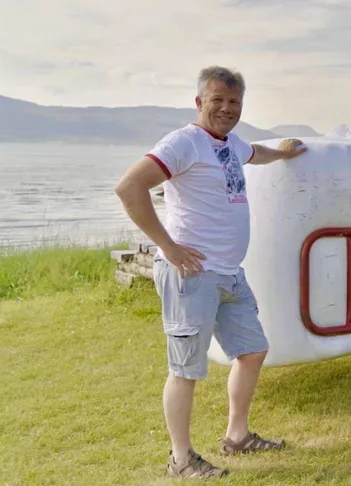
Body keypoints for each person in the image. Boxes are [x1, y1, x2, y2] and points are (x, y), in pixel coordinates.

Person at [114, 65, 307, 479]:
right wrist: (168, 247)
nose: (226, 108)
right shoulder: (183, 143)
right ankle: (180, 460)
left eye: (234, 101)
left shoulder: (232, 144)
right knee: (186, 369)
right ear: (199, 102)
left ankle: (237, 437)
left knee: (253, 350)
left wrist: (286, 153)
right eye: (217, 100)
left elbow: (257, 153)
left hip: (230, 274)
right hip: (193, 276)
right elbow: (130, 188)